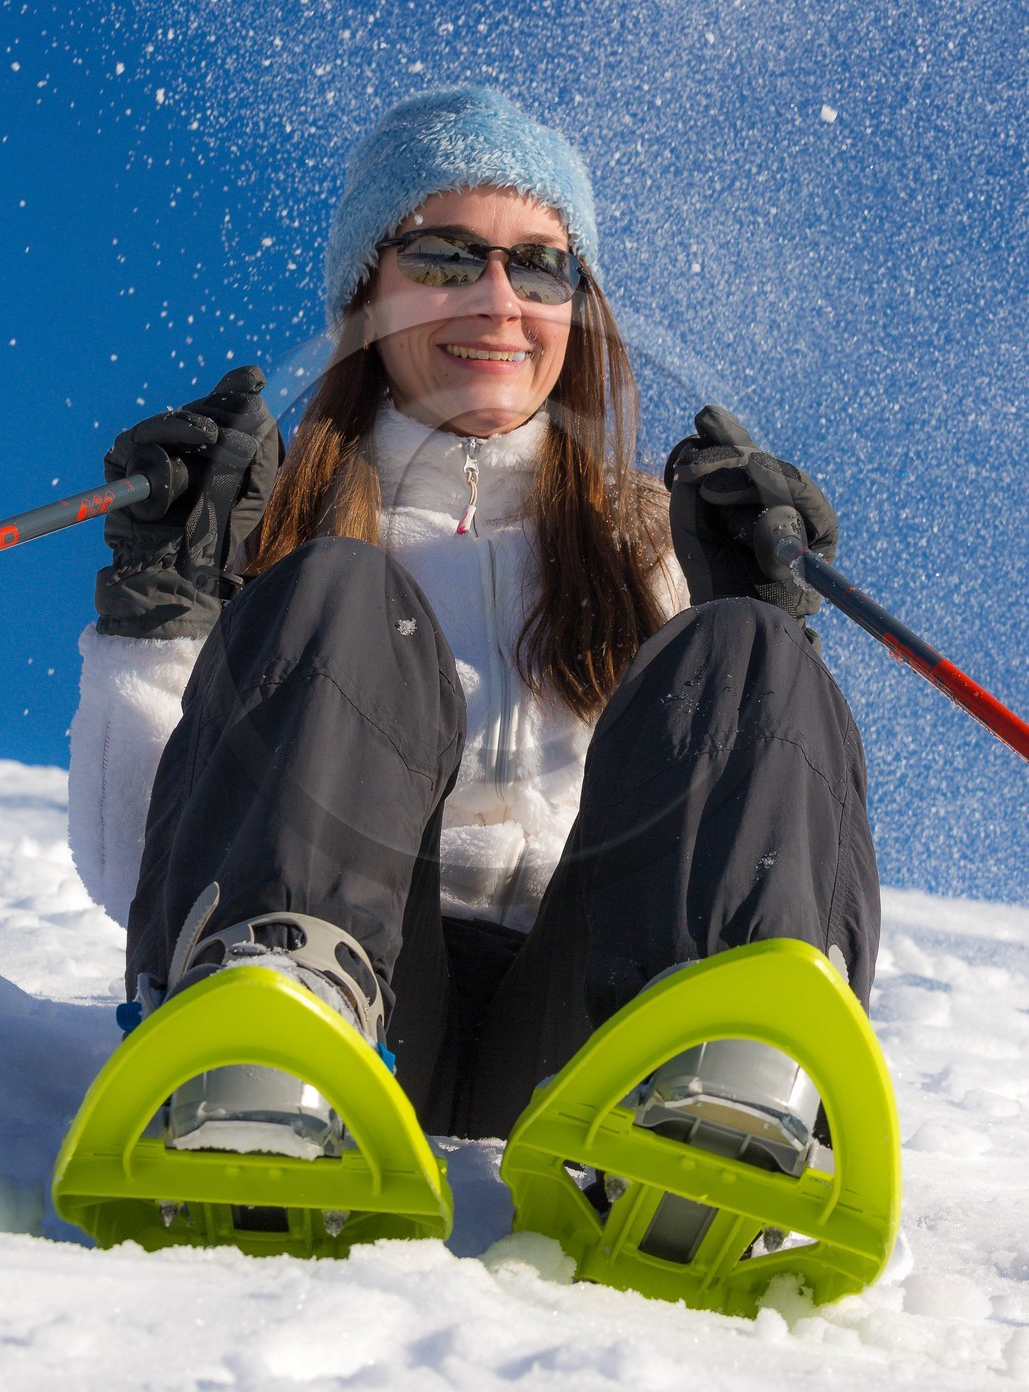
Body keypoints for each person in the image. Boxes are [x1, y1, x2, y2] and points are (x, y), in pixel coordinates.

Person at [68, 87, 878, 1157]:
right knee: (341, 593)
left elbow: (762, 816)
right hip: (357, 1008)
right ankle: (269, 1039)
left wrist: (760, 617)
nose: (499, 300)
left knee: (745, 655)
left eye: (540, 265)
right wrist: (167, 609)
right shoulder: (286, 542)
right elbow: (132, 866)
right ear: (368, 293)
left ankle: (720, 1087)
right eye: (446, 257)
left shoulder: (649, 547)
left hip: (588, 1029)